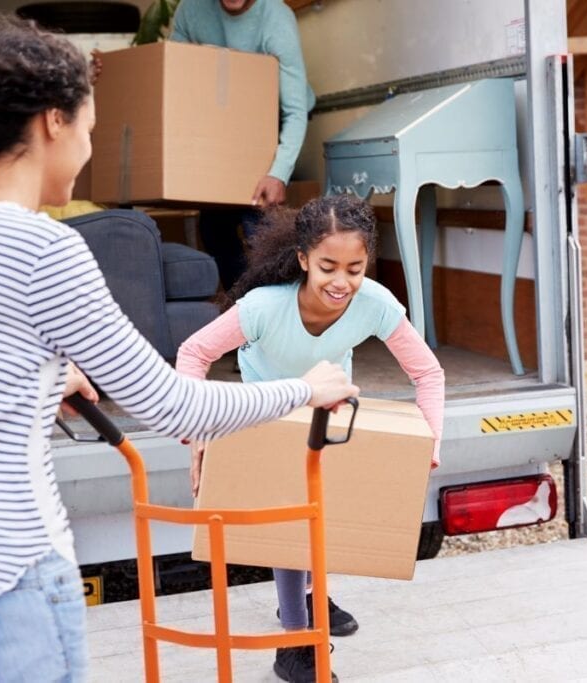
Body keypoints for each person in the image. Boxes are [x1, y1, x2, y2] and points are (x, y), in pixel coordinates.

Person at [0, 19, 358, 682]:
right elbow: (175, 406)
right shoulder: (44, 249)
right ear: (51, 123)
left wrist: (42, 374)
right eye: (90, 128)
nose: (92, 149)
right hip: (12, 580)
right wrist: (306, 388)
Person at [176, 194, 445, 683]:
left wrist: (432, 440)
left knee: (322, 513)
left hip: (326, 413)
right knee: (288, 524)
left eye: (355, 268)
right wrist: (198, 434)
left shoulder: (375, 305)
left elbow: (427, 373)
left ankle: (304, 595)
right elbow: (193, 354)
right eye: (327, 267)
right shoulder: (262, 307)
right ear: (303, 259)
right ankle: (296, 645)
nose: (341, 282)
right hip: (267, 417)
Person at [169, 0, 317, 289]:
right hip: (222, 117)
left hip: (272, 113)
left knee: (256, 218)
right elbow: (172, 69)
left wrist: (278, 173)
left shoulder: (276, 18)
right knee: (214, 226)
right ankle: (241, 303)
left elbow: (295, 111)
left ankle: (275, 310)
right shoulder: (191, 10)